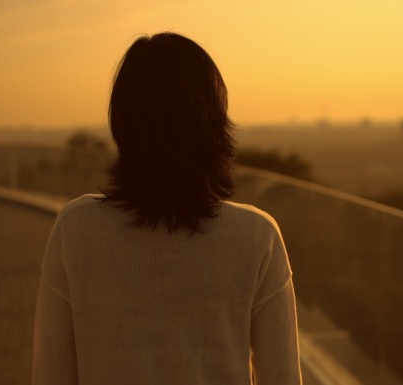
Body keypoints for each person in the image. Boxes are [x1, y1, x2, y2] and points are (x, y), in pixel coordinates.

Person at [32, 32, 301, 385]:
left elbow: (50, 376)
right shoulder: (257, 236)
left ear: (123, 123)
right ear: (213, 123)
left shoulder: (76, 227)